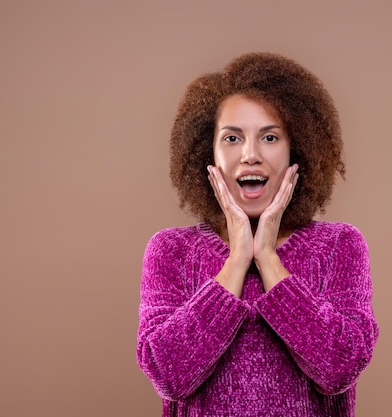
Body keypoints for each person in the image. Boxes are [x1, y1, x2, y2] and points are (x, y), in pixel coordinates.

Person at [137, 52, 379, 417]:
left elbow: (340, 367)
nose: (250, 154)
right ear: (209, 152)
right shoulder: (171, 250)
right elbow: (168, 375)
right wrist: (237, 261)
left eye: (269, 137)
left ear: (297, 148)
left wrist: (267, 258)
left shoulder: (340, 246)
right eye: (232, 138)